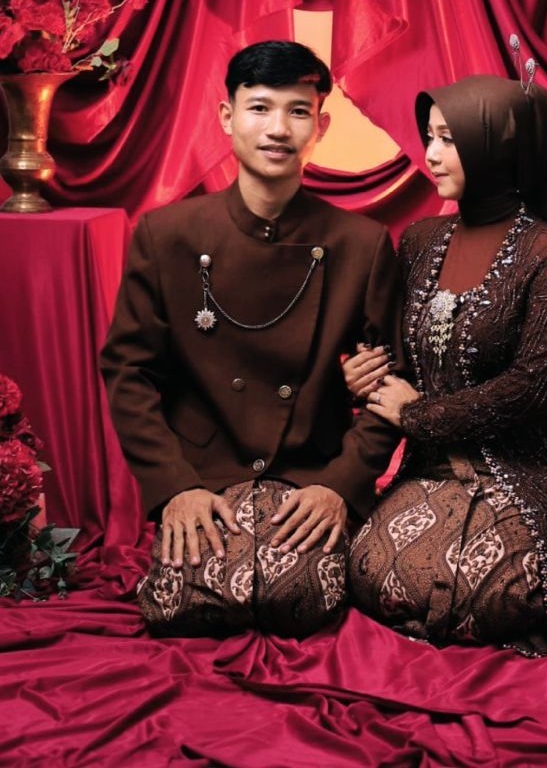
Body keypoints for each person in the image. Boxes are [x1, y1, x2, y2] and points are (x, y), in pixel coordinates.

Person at [101, 40, 404, 639]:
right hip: (203, 473)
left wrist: (340, 484)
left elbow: (392, 386)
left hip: (309, 473)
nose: (278, 129)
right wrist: (174, 487)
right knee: (189, 606)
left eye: (298, 111)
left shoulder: (362, 244)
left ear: (320, 127)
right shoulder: (166, 235)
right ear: (227, 117)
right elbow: (128, 373)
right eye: (260, 108)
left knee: (300, 602)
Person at [343, 75, 547, 655]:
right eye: (429, 137)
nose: (431, 155)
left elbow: (532, 386)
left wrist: (420, 416)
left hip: (529, 470)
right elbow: (393, 352)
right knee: (370, 569)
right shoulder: (419, 240)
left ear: (497, 147)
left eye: (449, 139)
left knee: (493, 593)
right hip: (434, 468)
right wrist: (360, 375)